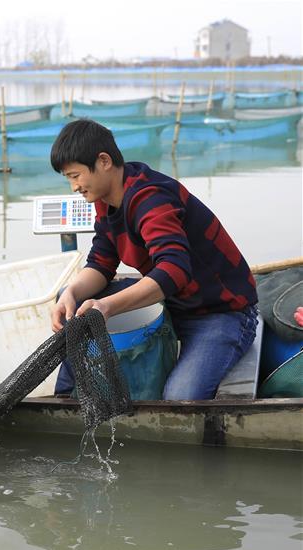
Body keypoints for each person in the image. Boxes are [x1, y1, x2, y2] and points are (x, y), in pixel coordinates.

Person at [48, 119, 258, 400]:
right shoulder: (106, 200)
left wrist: (107, 306)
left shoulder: (150, 198)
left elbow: (174, 271)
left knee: (180, 397)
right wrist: (70, 293)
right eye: (68, 178)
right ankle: (65, 397)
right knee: (75, 303)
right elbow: (101, 263)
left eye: (75, 176)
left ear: (104, 161)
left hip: (219, 312)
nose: (74, 187)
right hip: (170, 305)